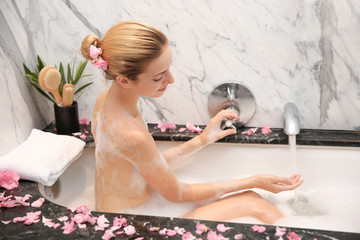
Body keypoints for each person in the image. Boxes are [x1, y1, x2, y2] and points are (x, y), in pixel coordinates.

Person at [81, 20, 303, 224]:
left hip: (116, 211)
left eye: (168, 68)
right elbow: (176, 193)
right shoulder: (129, 133)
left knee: (251, 197)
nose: (171, 79)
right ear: (124, 80)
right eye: (159, 77)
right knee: (252, 201)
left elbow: (146, 163)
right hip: (130, 226)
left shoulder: (108, 101)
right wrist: (253, 180)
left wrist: (203, 139)